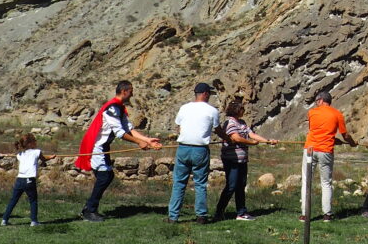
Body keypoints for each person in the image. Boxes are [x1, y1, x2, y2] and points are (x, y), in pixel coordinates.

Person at [76, 80, 162, 222]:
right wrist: (139, 142)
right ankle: (89, 210)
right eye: (131, 91)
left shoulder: (119, 108)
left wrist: (147, 140)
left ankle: (90, 208)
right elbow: (120, 133)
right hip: (97, 147)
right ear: (124, 91)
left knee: (106, 177)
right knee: (105, 177)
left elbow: (129, 130)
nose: (132, 94)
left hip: (104, 147)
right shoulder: (112, 108)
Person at [215, 99, 278, 221]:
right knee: (231, 186)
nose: (244, 110)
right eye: (242, 108)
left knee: (241, 186)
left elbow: (252, 135)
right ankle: (219, 212)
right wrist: (251, 143)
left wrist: (268, 141)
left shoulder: (242, 123)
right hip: (232, 160)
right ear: (237, 110)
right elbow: (236, 138)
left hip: (242, 160)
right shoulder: (230, 123)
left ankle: (241, 212)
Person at [167, 82, 220, 224]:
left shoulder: (184, 108)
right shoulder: (212, 111)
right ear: (205, 94)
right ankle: (201, 216)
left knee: (179, 182)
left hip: (183, 147)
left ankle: (173, 216)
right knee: (200, 183)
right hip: (200, 149)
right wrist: (227, 138)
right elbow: (218, 129)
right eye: (209, 94)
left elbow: (178, 126)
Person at [301, 91, 357, 222]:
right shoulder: (337, 114)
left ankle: (305, 214)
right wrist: (352, 143)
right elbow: (345, 135)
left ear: (321, 100)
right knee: (326, 183)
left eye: (316, 100)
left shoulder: (312, 113)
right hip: (326, 150)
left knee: (306, 181)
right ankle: (327, 214)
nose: (315, 103)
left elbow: (315, 130)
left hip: (310, 149)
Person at [1, 133, 52, 226]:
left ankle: (4, 220)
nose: (36, 142)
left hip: (19, 179)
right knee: (33, 200)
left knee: (13, 200)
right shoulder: (37, 152)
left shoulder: (20, 154)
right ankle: (34, 221)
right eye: (35, 141)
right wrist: (52, 157)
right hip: (29, 179)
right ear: (30, 143)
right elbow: (44, 158)